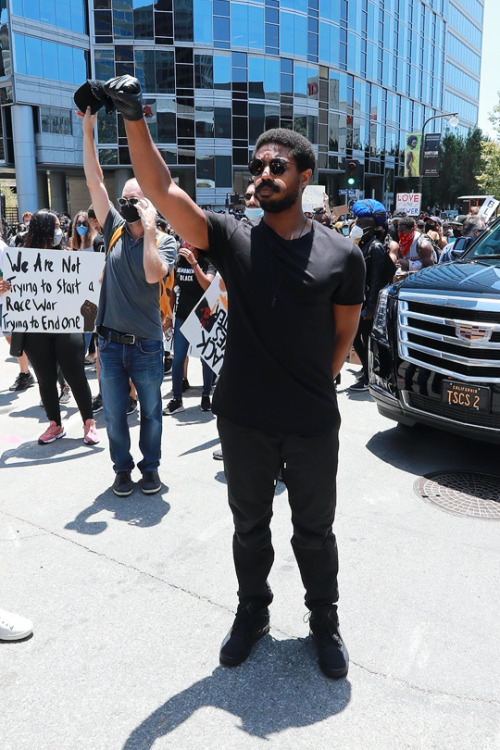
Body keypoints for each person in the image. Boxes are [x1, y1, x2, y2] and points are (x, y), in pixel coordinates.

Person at [100, 74, 365, 678]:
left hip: (309, 422)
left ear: (302, 176)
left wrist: (308, 385)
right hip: (242, 419)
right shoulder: (230, 236)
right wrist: (135, 116)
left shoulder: (342, 256)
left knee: (314, 532)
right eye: (257, 166)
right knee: (250, 527)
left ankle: (324, 620)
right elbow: (164, 191)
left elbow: (343, 338)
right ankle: (253, 612)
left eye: (276, 165)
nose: (262, 173)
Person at [77, 107, 176, 498]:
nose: (129, 205)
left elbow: (154, 274)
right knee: (115, 416)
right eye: (126, 200)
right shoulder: (114, 228)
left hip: (148, 345)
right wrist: (88, 133)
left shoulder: (164, 240)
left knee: (151, 413)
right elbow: (93, 179)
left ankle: (150, 468)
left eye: (138, 200)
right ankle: (122, 470)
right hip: (111, 344)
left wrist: (150, 226)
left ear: (150, 202)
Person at [12, 209, 99, 445]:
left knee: (76, 374)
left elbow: (86, 291)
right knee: (46, 378)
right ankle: (55, 424)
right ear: (44, 230)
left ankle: (89, 423)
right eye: (57, 226)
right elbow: (12, 288)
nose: (61, 230)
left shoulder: (68, 257)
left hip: (67, 326)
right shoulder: (21, 260)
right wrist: (4, 288)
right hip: (35, 329)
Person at [163, 240, 216, 414]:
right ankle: (177, 399)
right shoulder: (179, 261)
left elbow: (208, 285)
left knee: (205, 359)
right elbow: (173, 289)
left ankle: (206, 395)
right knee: (178, 358)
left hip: (203, 315)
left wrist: (194, 263)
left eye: (189, 241)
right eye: (183, 241)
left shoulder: (207, 261)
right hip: (182, 315)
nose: (185, 244)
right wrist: (169, 317)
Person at [348, 199, 396, 392]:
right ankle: (367, 371)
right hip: (361, 300)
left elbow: (376, 279)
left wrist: (371, 306)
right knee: (357, 338)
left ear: (370, 227)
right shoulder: (363, 244)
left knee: (364, 339)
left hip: (368, 304)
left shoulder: (375, 247)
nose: (356, 225)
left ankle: (369, 377)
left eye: (360, 223)